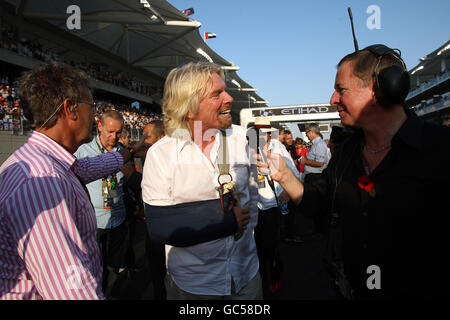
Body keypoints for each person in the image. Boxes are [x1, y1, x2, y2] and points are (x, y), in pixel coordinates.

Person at [258, 45, 450, 299]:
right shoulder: (347, 154)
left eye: (341, 90)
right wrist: (285, 176)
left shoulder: (441, 149)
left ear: (381, 89)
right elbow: (318, 202)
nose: (332, 100)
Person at [0, 62, 141, 300]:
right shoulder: (42, 182)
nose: (94, 114)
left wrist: (127, 153)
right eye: (92, 106)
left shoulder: (44, 161)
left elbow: (85, 168)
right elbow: (72, 290)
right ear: (71, 109)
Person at [141, 62, 262, 300]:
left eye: (225, 90)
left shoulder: (241, 139)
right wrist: (225, 221)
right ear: (188, 107)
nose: (229, 98)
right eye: (217, 94)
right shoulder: (161, 154)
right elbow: (160, 226)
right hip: (194, 286)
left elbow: (252, 196)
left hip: (247, 276)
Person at [74, 110, 129, 299]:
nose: (114, 137)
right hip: (93, 223)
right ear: (99, 126)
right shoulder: (83, 150)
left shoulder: (123, 152)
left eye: (118, 132)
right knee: (92, 267)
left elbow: (129, 183)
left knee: (114, 267)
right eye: (110, 132)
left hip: (118, 220)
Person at [253, 117, 300, 298]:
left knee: (270, 246)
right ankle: (262, 280)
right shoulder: (248, 148)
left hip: (272, 205)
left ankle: (275, 275)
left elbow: (294, 173)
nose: (261, 134)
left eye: (264, 131)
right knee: (257, 246)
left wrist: (287, 191)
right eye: (258, 130)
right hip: (255, 206)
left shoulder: (278, 148)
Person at [299, 123, 329, 236]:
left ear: (311, 132)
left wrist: (305, 161)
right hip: (313, 177)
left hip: (316, 178)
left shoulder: (319, 144)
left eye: (307, 133)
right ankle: (318, 229)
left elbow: (320, 163)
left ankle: (319, 230)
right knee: (315, 205)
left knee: (317, 205)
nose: (306, 135)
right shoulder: (316, 144)